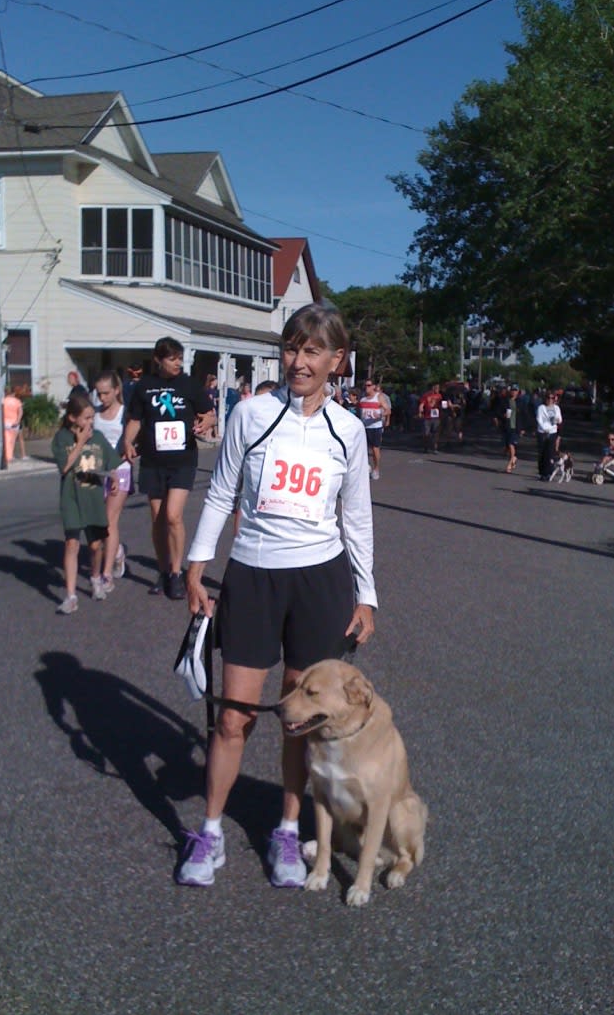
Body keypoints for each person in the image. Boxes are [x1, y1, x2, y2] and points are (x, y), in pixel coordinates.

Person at [177, 302, 377, 889]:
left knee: (299, 720)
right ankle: (209, 831)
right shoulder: (252, 413)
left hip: (321, 581)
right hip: (254, 575)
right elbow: (220, 493)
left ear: (336, 361)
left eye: (313, 351)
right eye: (292, 348)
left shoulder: (349, 431)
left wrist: (366, 596)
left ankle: (287, 832)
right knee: (234, 716)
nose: (299, 361)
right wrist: (197, 563)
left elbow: (357, 518)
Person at [122, 336, 215, 599]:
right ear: (158, 360)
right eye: (172, 359)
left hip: (183, 459)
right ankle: (163, 570)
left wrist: (206, 422)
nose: (177, 363)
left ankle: (176, 572)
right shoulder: (145, 387)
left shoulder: (188, 384)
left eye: (179, 358)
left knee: (173, 516)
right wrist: (128, 441)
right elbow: (135, 420)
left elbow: (209, 412)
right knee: (158, 519)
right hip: (153, 460)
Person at [51, 395, 120, 614]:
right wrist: (80, 443)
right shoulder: (62, 438)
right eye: (86, 418)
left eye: (92, 417)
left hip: (93, 497)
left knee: (95, 546)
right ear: (72, 417)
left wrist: (114, 478)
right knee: (71, 544)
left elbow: (112, 462)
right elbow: (64, 468)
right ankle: (71, 596)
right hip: (71, 498)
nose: (91, 422)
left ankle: (95, 577)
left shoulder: (98, 437)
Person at [93, 370, 131, 592]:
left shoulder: (125, 414)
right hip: (98, 472)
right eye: (99, 394)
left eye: (106, 393)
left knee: (109, 521)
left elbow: (133, 441)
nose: (102, 398)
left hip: (121, 470)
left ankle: (107, 573)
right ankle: (117, 552)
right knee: (98, 522)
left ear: (116, 390)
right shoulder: (95, 414)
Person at [358, 378, 390, 479]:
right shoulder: (362, 398)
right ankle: (366, 466)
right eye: (365, 385)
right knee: (362, 449)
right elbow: (359, 411)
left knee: (375, 449)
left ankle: (376, 469)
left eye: (368, 385)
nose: (366, 387)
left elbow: (388, 410)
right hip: (364, 426)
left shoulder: (379, 397)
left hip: (375, 427)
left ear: (373, 386)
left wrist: (380, 415)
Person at [496, 385, 529, 473]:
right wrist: (502, 415)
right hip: (507, 426)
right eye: (512, 390)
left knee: (511, 444)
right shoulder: (504, 401)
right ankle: (513, 458)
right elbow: (497, 412)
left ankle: (510, 464)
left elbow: (525, 415)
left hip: (516, 427)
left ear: (518, 392)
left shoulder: (521, 402)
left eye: (515, 390)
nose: (514, 392)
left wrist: (523, 428)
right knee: (508, 446)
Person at [536, 391, 563, 480]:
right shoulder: (541, 408)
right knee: (542, 453)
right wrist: (544, 429)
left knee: (550, 453)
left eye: (552, 398)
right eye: (548, 398)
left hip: (552, 432)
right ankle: (542, 472)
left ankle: (548, 472)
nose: (550, 400)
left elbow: (560, 420)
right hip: (542, 432)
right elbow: (539, 419)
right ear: (545, 398)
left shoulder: (556, 408)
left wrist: (556, 420)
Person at [419, 382, 443, 454]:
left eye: (439, 388)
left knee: (436, 433)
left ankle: (435, 448)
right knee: (426, 433)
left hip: (436, 417)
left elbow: (442, 404)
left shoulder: (439, 395)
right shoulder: (426, 395)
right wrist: (420, 412)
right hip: (427, 417)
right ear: (433, 388)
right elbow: (422, 404)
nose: (438, 389)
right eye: (437, 388)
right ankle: (426, 447)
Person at [2, 387, 23, 465]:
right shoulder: (17, 401)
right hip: (14, 423)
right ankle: (9, 456)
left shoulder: (3, 401)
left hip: (4, 422)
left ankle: (6, 455)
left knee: (6, 440)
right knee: (12, 441)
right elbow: (20, 412)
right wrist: (18, 421)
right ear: (13, 393)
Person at [204, 374, 220, 441]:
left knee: (214, 422)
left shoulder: (213, 390)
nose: (216, 383)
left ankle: (213, 435)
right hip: (211, 408)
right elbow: (210, 399)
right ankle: (209, 436)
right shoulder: (210, 390)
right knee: (212, 422)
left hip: (213, 407)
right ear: (212, 382)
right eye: (215, 381)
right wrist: (212, 407)